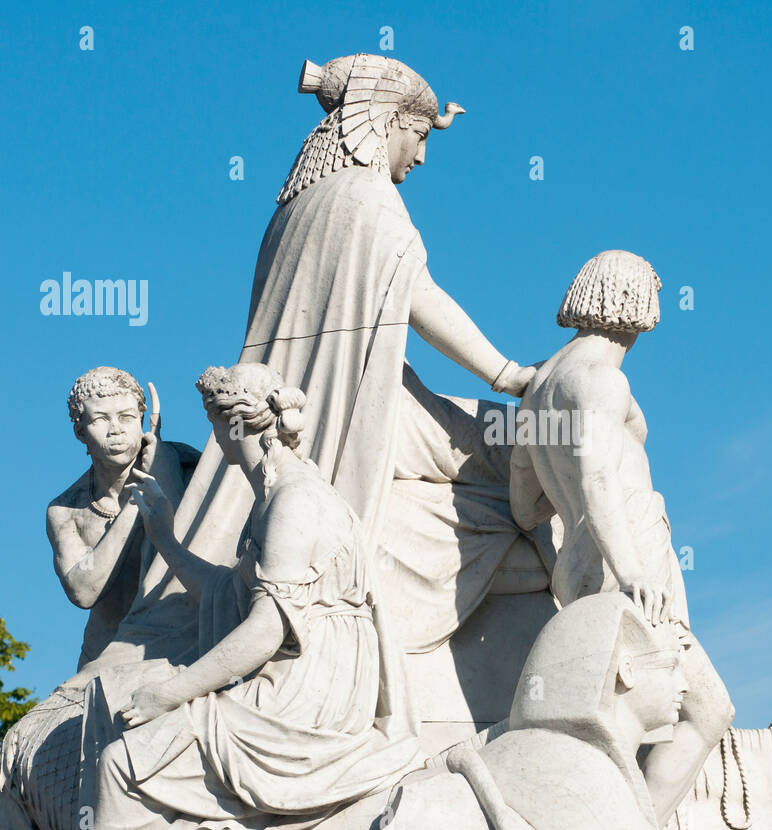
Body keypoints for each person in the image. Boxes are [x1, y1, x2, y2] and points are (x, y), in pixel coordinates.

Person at [105, 53, 543, 669]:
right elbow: (418, 296)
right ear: (386, 121)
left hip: (337, 399)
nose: (420, 158)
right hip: (361, 410)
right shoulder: (368, 198)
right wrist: (511, 375)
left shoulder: (294, 207)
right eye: (418, 136)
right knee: (527, 445)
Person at [75, 363, 419, 830]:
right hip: (301, 672)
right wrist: (166, 539)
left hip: (307, 691)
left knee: (123, 765)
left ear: (230, 427)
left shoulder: (293, 500)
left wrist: (170, 695)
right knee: (118, 704)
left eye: (212, 425)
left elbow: (263, 630)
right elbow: (228, 594)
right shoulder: (276, 495)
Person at [508, 250, 735, 825]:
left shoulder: (541, 388)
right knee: (707, 712)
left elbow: (523, 505)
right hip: (629, 560)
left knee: (617, 720)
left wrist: (576, 516)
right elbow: (599, 475)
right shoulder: (602, 380)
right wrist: (631, 568)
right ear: (632, 301)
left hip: (583, 566)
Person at [364, 592, 688, 830]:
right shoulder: (571, 771)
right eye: (671, 666)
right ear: (626, 670)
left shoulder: (597, 772)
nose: (684, 685)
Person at [46, 367, 196, 670]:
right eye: (101, 419)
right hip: (105, 656)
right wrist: (136, 500)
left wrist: (164, 472)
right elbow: (83, 591)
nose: (116, 429)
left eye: (126, 417)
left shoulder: (182, 466)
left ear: (142, 420)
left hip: (180, 646)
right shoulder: (67, 510)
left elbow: (203, 542)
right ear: (80, 431)